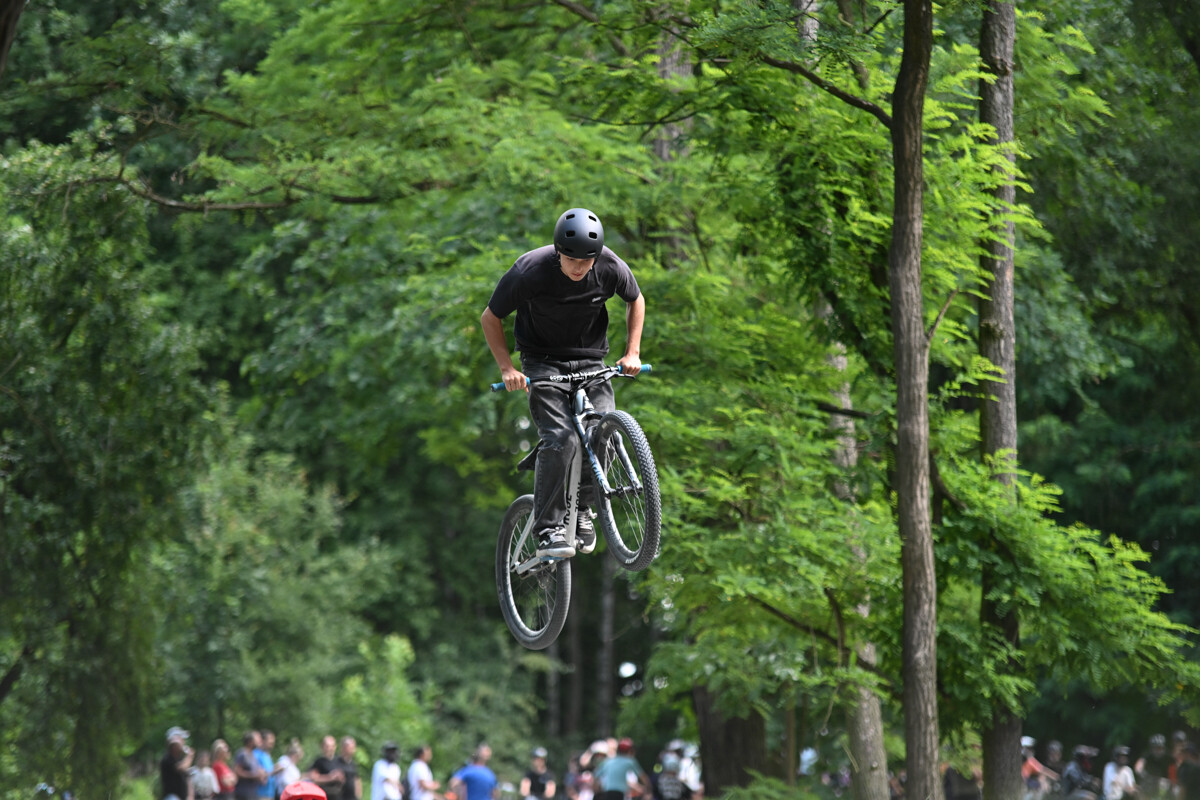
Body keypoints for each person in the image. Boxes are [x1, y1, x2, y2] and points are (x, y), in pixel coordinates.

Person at [481, 207, 646, 559]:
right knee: (562, 438)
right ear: (558, 251)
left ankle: (582, 510)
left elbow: (636, 299)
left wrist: (633, 351)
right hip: (543, 362)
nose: (578, 267)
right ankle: (547, 529)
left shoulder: (610, 265)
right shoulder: (529, 270)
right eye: (571, 259)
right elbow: (490, 317)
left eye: (586, 261)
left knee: (603, 432)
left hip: (591, 359)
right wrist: (507, 368)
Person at [161, 726, 195, 800]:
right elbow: (182, 768)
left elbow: (187, 777)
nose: (184, 742)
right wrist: (189, 756)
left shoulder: (180, 759)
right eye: (182, 740)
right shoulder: (168, 759)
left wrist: (190, 795)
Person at [235, 732, 268, 800]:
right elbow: (237, 772)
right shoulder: (242, 754)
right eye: (257, 739)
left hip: (253, 793)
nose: (260, 741)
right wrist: (253, 776)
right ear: (250, 741)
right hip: (243, 793)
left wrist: (262, 775)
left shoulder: (253, 755)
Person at [1137, 735, 1171, 800]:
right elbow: (1139, 765)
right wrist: (1142, 773)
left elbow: (1174, 769)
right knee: (1140, 789)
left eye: (1160, 748)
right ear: (1151, 748)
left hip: (1164, 782)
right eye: (1156, 748)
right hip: (1149, 781)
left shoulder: (1168, 757)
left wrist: (1170, 779)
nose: (1158, 750)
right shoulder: (1148, 755)